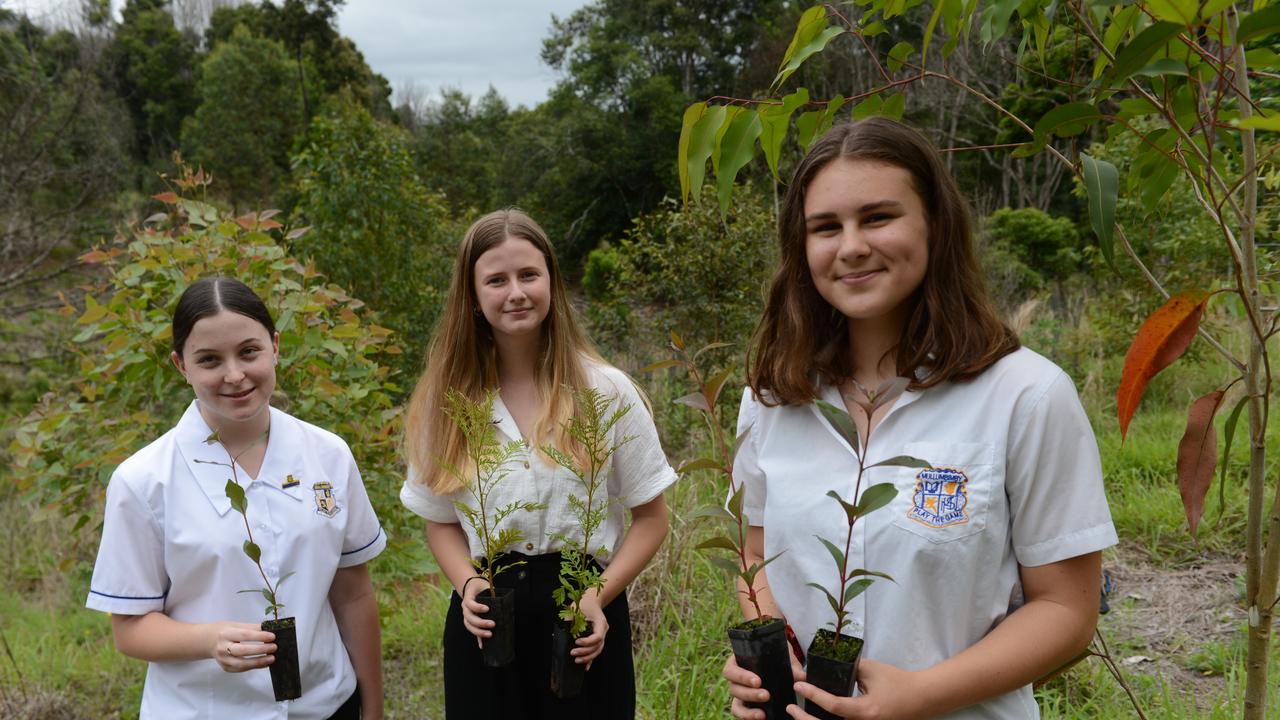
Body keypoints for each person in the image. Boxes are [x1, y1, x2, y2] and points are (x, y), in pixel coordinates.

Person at [722, 118, 1117, 719]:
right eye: (826, 227)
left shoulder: (1026, 396)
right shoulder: (772, 397)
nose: (851, 245)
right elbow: (757, 556)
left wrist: (918, 696)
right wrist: (771, 662)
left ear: (935, 223)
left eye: (878, 217)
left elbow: (1065, 611)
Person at [400, 208, 675, 719]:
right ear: (473, 297)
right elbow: (438, 524)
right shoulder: (447, 401)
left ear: (552, 280)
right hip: (486, 623)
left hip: (583, 619)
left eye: (529, 274)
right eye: (496, 280)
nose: (516, 292)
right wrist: (468, 586)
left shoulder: (606, 390)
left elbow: (652, 519)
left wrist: (598, 594)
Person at [86, 277, 386, 719]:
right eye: (209, 360)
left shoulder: (328, 455)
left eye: (249, 351)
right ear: (180, 365)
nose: (234, 375)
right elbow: (129, 629)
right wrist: (208, 640)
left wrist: (373, 709)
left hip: (327, 705)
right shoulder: (143, 481)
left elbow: (353, 595)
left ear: (276, 347)